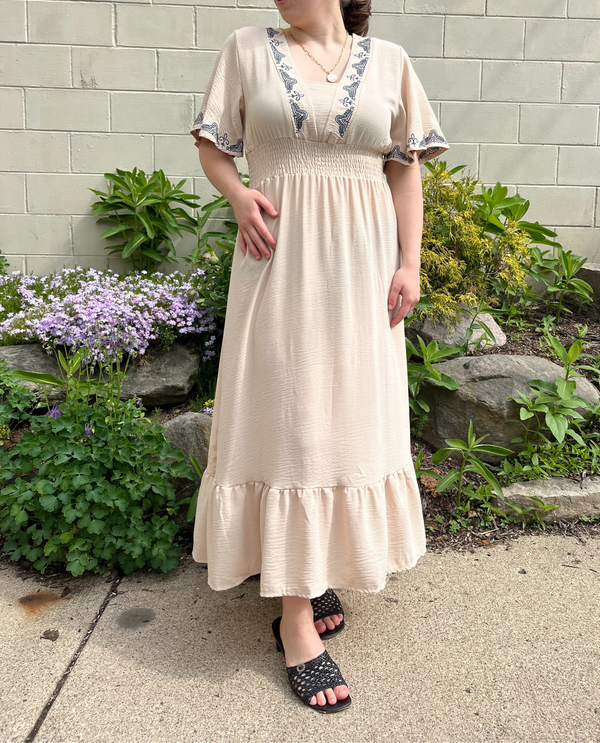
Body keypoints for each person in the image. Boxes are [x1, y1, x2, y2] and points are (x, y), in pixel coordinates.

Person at [190, 0, 449, 714]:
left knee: (346, 421)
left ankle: (314, 567)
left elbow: (404, 171)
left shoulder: (390, 61)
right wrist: (238, 194)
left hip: (362, 270)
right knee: (294, 421)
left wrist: (410, 264)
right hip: (280, 264)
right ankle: (296, 620)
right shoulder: (247, 48)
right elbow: (213, 145)